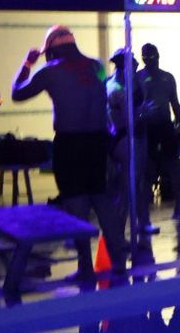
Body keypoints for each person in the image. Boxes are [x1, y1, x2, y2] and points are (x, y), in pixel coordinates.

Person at [11, 26, 126, 275]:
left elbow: (16, 93)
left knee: (76, 204)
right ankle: (119, 262)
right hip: (98, 140)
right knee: (101, 198)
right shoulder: (97, 66)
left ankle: (85, 265)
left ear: (51, 49)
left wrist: (28, 63)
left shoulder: (50, 71)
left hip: (70, 142)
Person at [137, 42, 180, 224]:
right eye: (147, 58)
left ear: (158, 57)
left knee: (175, 168)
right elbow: (134, 105)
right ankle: (144, 217)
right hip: (148, 129)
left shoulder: (167, 78)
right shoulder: (138, 78)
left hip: (166, 128)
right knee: (148, 171)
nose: (151, 61)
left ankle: (179, 209)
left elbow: (175, 103)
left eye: (153, 57)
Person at [106, 48, 151, 237]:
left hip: (118, 139)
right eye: (133, 65)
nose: (136, 68)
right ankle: (117, 235)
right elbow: (128, 119)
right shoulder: (117, 90)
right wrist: (143, 113)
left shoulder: (115, 85)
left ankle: (120, 232)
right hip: (123, 139)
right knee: (125, 191)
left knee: (128, 188)